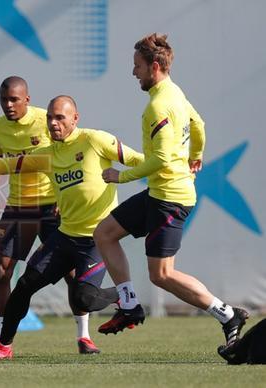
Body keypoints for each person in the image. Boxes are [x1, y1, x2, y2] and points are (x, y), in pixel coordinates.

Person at [93, 33, 249, 346]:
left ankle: (227, 314)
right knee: (105, 233)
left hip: (171, 199)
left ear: (154, 67)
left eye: (137, 66)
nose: (133, 72)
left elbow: (162, 158)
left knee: (161, 275)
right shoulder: (174, 92)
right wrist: (195, 155)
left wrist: (121, 177)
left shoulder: (160, 105)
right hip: (159, 193)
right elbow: (199, 124)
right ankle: (129, 304)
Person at [0, 95, 142, 359]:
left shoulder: (95, 140)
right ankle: (3, 346)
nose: (53, 123)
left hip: (96, 240)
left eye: (60, 118)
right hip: (65, 236)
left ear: (75, 118)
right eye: (50, 118)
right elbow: (4, 165)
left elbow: (138, 160)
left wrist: (128, 176)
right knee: (24, 285)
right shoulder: (46, 155)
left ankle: (120, 296)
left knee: (82, 299)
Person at [0, 76, 100, 355]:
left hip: (51, 206)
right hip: (18, 207)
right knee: (2, 270)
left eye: (14, 100)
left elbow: (63, 156)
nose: (8, 105)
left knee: (71, 273)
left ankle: (84, 336)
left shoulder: (44, 121)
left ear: (27, 99)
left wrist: (62, 197)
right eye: (3, 100)